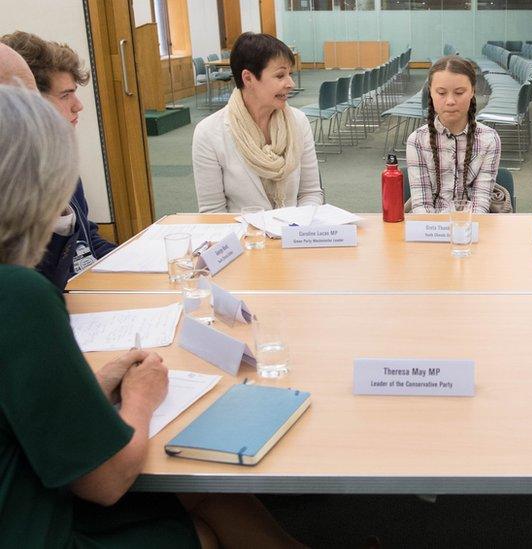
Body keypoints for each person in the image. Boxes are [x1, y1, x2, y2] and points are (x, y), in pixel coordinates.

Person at [0, 86, 306, 548]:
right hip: (41, 526)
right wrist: (141, 399)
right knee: (196, 526)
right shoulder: (19, 295)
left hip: (33, 484)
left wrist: (95, 387)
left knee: (200, 494)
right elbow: (105, 482)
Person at [0, 31, 117, 290]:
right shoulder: (11, 182)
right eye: (65, 96)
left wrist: (140, 259)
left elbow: (87, 242)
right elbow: (31, 283)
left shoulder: (64, 171)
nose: (78, 106)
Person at [193, 32, 322, 213]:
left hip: (293, 234)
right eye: (280, 76)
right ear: (248, 78)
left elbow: (311, 193)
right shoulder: (209, 133)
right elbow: (213, 214)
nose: (290, 83)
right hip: (245, 239)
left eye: (290, 74)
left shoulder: (298, 122)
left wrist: (298, 228)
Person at [405, 56, 501, 213]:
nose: (450, 101)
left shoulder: (489, 139)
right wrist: (438, 233)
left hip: (472, 228)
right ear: (430, 93)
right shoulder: (417, 141)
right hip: (431, 230)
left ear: (472, 91)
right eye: (441, 93)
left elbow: (481, 203)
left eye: (459, 92)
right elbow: (422, 205)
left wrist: (463, 232)